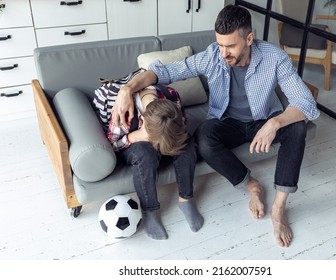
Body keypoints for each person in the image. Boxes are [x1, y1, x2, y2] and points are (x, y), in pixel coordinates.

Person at [111, 5, 320, 247]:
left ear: (249, 39)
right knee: (203, 138)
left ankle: (278, 209)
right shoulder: (212, 55)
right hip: (227, 123)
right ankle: (252, 186)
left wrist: (275, 122)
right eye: (220, 45)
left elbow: (306, 103)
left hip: (263, 119)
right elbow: (164, 72)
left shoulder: (275, 58)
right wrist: (127, 88)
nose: (223, 52)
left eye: (230, 46)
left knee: (297, 128)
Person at [96, 75, 204, 240]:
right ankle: (150, 210)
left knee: (187, 144)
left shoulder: (171, 96)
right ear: (144, 121)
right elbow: (112, 145)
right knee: (145, 153)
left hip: (163, 135)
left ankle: (186, 199)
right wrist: (136, 136)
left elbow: (180, 127)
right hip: (132, 144)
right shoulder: (122, 111)